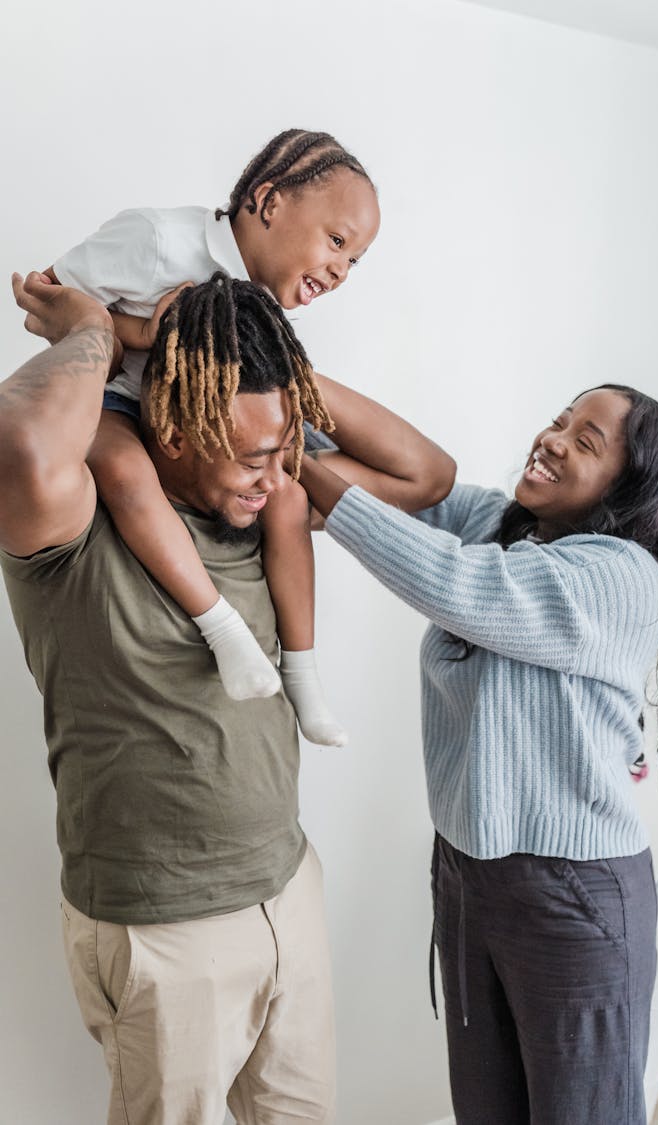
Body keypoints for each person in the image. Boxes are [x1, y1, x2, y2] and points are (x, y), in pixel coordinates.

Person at [0, 270, 456, 1125]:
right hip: (164, 934)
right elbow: (20, 441)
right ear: (176, 418)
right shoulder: (72, 518)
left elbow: (425, 474)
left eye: (285, 448)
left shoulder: (266, 497)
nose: (275, 474)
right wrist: (97, 330)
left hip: (287, 886)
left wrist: (272, 371)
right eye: (252, 453)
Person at [298, 384, 658, 1125]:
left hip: (574, 899)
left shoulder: (623, 578)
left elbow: (459, 584)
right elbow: (420, 475)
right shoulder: (504, 526)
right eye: (560, 420)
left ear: (634, 487)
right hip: (469, 879)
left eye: (586, 441)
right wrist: (280, 379)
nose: (552, 438)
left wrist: (292, 458)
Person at [44, 127, 381, 746]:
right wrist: (148, 333)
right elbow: (47, 297)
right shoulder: (157, 240)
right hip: (120, 402)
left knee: (290, 498)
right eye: (336, 242)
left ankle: (302, 672)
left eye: (354, 260)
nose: (341, 270)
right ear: (271, 202)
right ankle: (222, 628)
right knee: (124, 474)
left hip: (201, 432)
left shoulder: (268, 304)